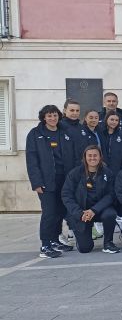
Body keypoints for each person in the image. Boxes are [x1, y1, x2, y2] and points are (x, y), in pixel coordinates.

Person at [26, 105, 79, 258]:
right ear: (44, 117)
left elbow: (75, 156)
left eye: (55, 115)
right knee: (49, 212)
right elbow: (32, 161)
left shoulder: (65, 132)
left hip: (65, 180)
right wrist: (36, 182)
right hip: (46, 182)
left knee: (60, 211)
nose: (52, 118)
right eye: (49, 116)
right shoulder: (35, 134)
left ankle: (55, 240)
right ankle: (45, 245)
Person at [61, 145, 120, 254]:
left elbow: (111, 195)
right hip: (82, 213)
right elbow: (66, 195)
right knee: (85, 249)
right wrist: (79, 213)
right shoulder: (74, 173)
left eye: (95, 156)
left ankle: (108, 243)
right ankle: (82, 238)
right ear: (85, 157)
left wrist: (94, 210)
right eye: (90, 156)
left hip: (100, 210)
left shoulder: (108, 173)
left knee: (110, 214)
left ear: (100, 157)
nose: (92, 158)